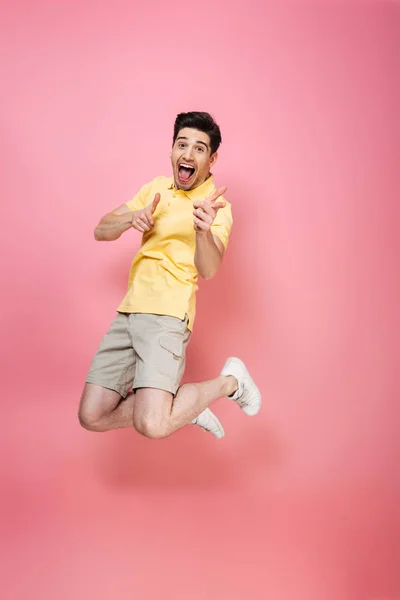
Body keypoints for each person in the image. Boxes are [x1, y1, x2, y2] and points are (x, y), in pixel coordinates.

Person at [78, 111, 261, 440]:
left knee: (153, 424)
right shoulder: (155, 190)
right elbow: (101, 230)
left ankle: (230, 382)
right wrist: (133, 217)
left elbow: (209, 269)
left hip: (167, 315)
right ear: (172, 150)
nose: (188, 154)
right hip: (128, 313)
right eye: (182, 144)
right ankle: (183, 407)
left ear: (212, 159)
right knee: (91, 415)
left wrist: (203, 231)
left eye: (199, 148)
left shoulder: (216, 207)